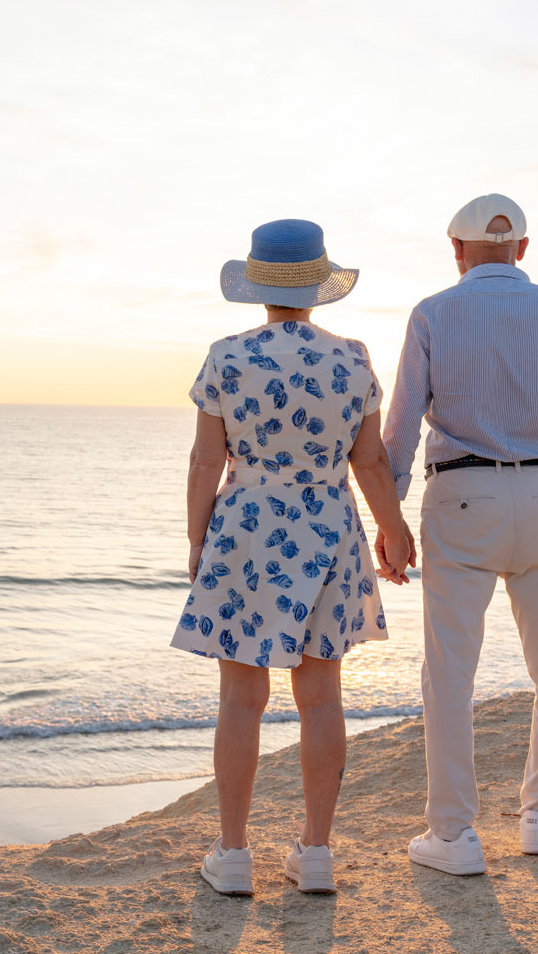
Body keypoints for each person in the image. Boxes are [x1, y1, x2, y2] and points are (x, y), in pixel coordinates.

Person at [173, 218, 413, 897]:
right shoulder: (352, 358)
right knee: (321, 696)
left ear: (257, 286)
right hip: (328, 522)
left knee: (241, 697)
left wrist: (196, 538)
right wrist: (393, 529)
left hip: (246, 526)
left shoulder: (227, 356)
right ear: (318, 285)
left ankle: (233, 854)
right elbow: (370, 461)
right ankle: (315, 853)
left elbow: (204, 461)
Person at [380, 193, 538, 876]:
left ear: (455, 250)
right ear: (522, 249)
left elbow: (401, 425)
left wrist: (390, 518)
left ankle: (453, 836)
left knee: (450, 674)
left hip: (460, 496)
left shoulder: (432, 313)